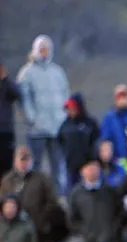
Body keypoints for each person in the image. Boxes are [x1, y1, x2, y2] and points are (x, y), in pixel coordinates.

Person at [17, 36, 70, 192]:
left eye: (47, 49)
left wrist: (64, 117)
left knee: (58, 165)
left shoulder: (57, 72)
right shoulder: (27, 73)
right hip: (37, 129)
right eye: (42, 49)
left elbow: (66, 94)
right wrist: (32, 119)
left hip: (57, 127)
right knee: (36, 165)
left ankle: (58, 196)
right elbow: (24, 99)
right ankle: (35, 194)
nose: (45, 53)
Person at [1, 145, 62, 242]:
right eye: (21, 160)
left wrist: (41, 218)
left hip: (37, 229)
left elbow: (52, 202)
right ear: (15, 161)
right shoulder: (7, 180)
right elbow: (2, 203)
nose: (23, 163)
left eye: (26, 159)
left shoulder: (41, 179)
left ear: (31, 161)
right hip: (13, 230)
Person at [57, 94, 99, 193]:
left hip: (88, 166)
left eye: (72, 108)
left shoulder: (90, 123)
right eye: (68, 109)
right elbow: (60, 141)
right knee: (71, 192)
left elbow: (96, 141)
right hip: (71, 167)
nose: (70, 111)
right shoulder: (65, 125)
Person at [99, 84, 127, 165]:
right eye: (120, 97)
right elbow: (105, 139)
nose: (123, 99)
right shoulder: (109, 118)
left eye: (125, 96)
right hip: (118, 161)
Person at [0, 58, 19, 174]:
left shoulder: (6, 84)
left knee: (7, 164)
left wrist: (5, 79)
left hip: (6, 129)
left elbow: (17, 94)